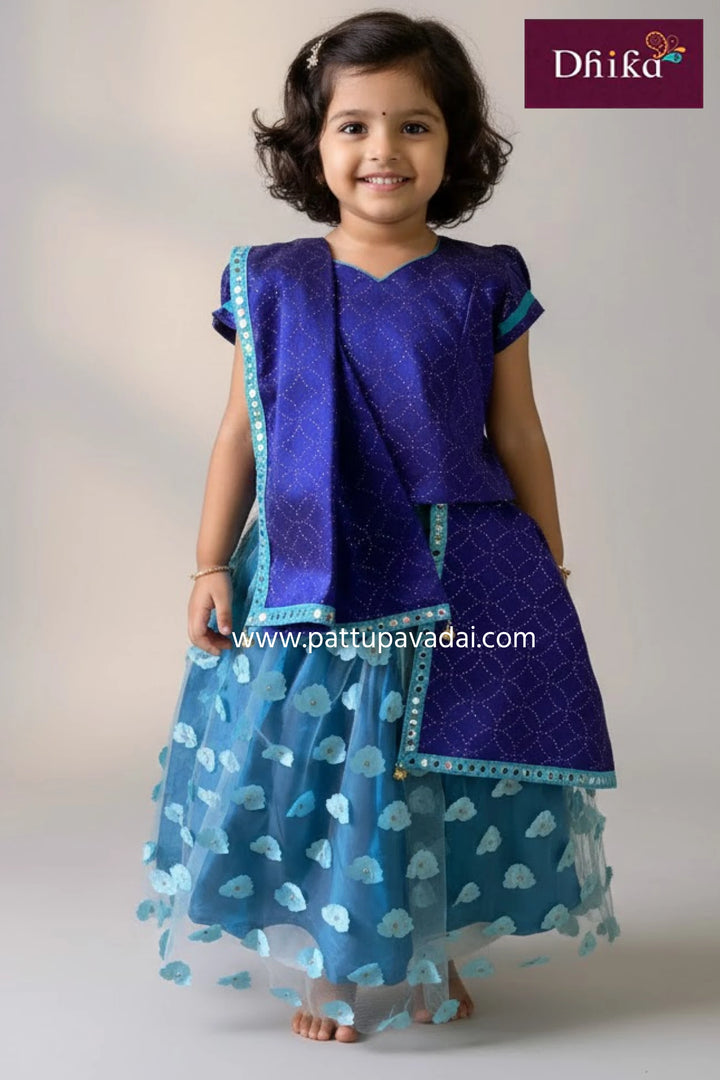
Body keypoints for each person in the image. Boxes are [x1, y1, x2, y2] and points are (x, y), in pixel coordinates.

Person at [135, 9, 620, 1043]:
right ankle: (331, 960)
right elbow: (237, 436)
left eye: (415, 126)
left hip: (463, 561)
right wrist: (210, 562)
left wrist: (547, 555)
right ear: (312, 146)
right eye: (353, 127)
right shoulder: (270, 283)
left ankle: (422, 941)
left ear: (458, 145)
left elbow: (519, 429)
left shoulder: (488, 277)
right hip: (314, 566)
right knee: (321, 758)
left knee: (438, 763)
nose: (383, 151)